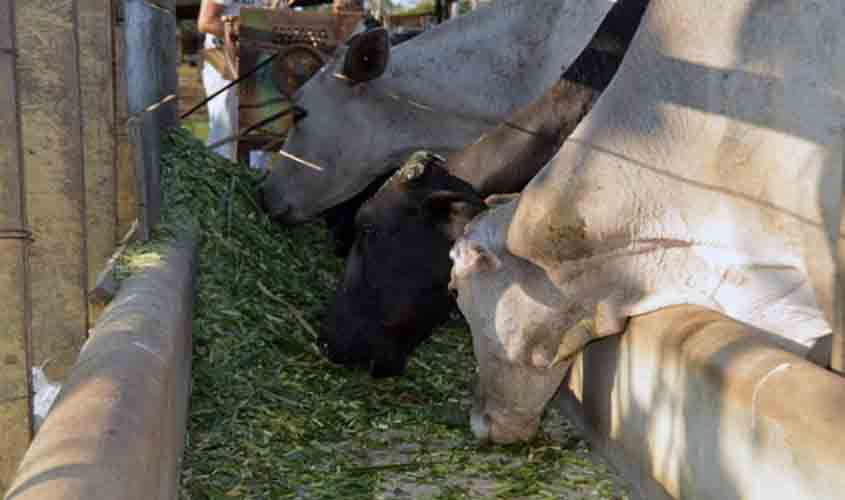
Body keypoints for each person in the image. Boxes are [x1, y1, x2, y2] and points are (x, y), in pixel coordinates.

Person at [197, 0, 271, 169]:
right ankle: (219, 185)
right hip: (224, 59)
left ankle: (256, 184)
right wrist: (250, 34)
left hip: (259, 59)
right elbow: (206, 22)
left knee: (262, 131)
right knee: (225, 131)